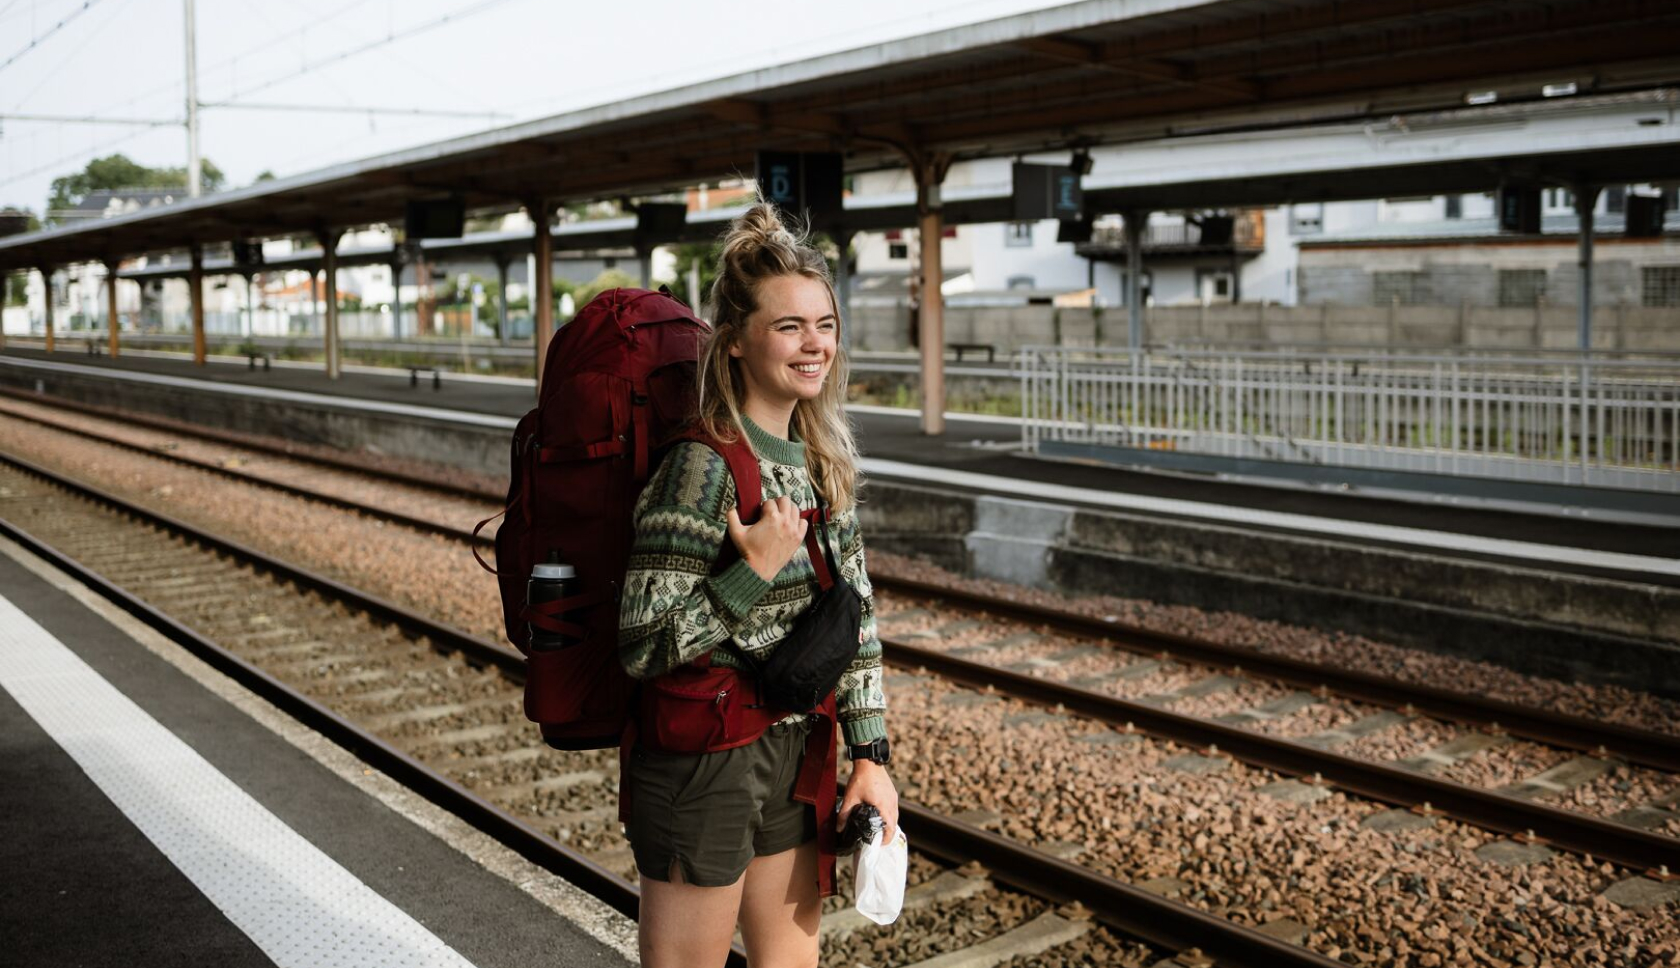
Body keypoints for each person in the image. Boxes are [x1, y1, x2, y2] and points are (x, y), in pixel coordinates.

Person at [617, 199, 898, 968]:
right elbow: (642, 643)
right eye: (790, 326)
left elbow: (858, 619)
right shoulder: (699, 467)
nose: (815, 345)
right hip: (703, 756)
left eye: (825, 325)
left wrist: (871, 756)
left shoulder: (821, 462)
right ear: (736, 341)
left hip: (794, 744)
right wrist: (753, 574)